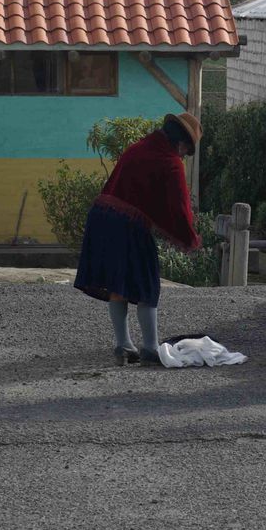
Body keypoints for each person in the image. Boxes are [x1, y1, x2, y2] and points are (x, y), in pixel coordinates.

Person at [74, 113, 202, 366]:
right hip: (128, 224)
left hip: (101, 218)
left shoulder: (137, 148)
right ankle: (150, 347)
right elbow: (178, 206)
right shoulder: (171, 162)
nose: (185, 155)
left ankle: (123, 344)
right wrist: (190, 237)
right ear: (182, 143)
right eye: (188, 150)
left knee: (117, 283)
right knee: (147, 285)